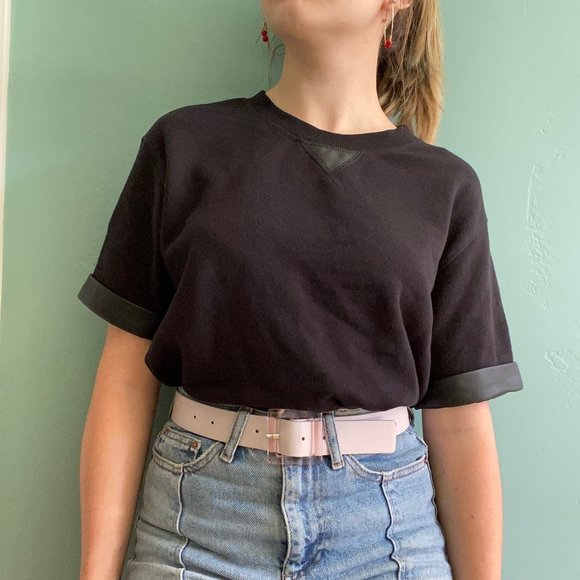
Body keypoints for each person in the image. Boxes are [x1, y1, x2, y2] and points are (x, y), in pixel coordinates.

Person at [78, 1, 524, 579]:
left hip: (385, 534)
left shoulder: (446, 187)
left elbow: (460, 420)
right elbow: (124, 376)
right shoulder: (183, 144)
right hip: (199, 525)